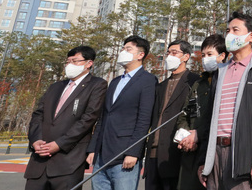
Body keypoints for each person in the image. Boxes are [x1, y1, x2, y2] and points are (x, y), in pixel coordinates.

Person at [198, 12, 252, 190]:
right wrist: (203, 161)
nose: (229, 35)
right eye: (228, 30)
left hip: (244, 156)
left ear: (251, 36)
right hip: (214, 156)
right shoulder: (220, 72)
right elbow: (208, 120)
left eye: (235, 30)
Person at [24, 46, 107, 190]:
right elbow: (38, 114)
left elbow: (89, 118)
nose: (70, 65)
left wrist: (59, 144)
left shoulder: (97, 85)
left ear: (89, 63)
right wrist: (35, 140)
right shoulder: (55, 86)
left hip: (68, 161)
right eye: (68, 61)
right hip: (39, 160)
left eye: (75, 61)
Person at [87, 35, 157, 190]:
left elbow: (144, 120)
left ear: (140, 55)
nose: (123, 51)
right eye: (123, 48)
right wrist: (93, 148)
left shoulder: (148, 80)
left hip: (124, 155)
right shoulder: (115, 81)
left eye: (128, 49)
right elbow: (104, 117)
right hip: (101, 155)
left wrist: (133, 152)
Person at [145, 39, 200, 190]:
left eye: (174, 53)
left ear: (186, 57)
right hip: (152, 155)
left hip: (176, 153)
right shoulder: (160, 86)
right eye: (168, 53)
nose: (170, 56)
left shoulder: (195, 82)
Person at [176, 34, 228, 190]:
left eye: (210, 55)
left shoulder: (227, 80)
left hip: (212, 152)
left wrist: (198, 134)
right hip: (190, 152)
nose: (205, 59)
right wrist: (185, 137)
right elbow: (184, 113)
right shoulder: (199, 83)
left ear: (222, 55)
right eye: (203, 55)